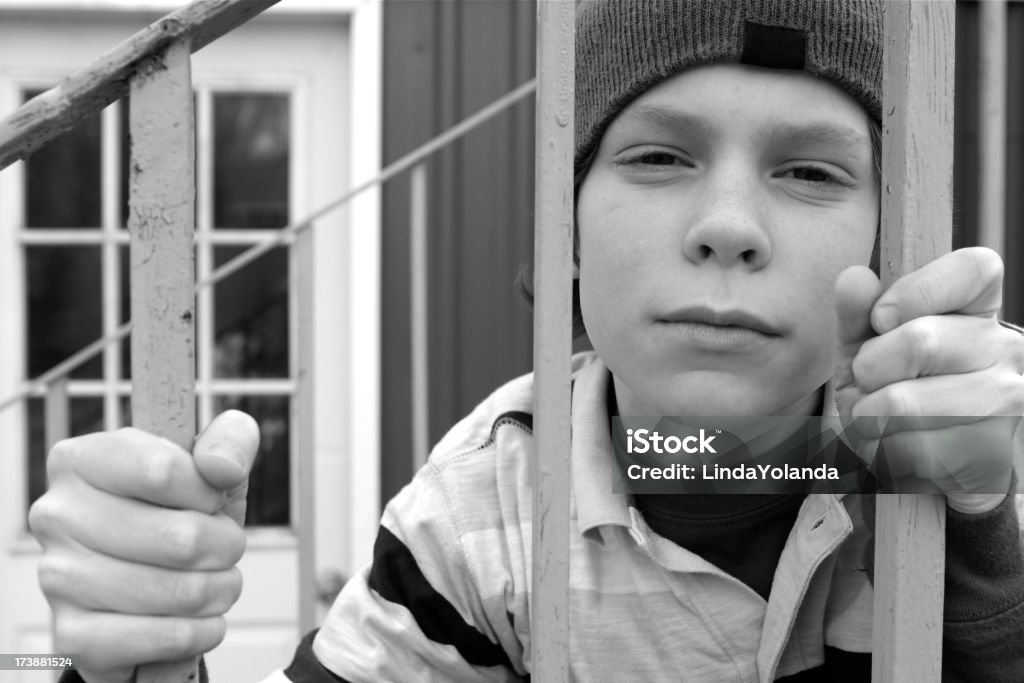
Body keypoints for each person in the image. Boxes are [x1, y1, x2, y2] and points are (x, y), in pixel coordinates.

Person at [29, 0, 1024, 681]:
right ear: (571, 240)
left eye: (809, 172)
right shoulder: (480, 507)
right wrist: (137, 655)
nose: (728, 223)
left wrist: (979, 545)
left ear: (889, 243)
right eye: (657, 155)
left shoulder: (989, 443)